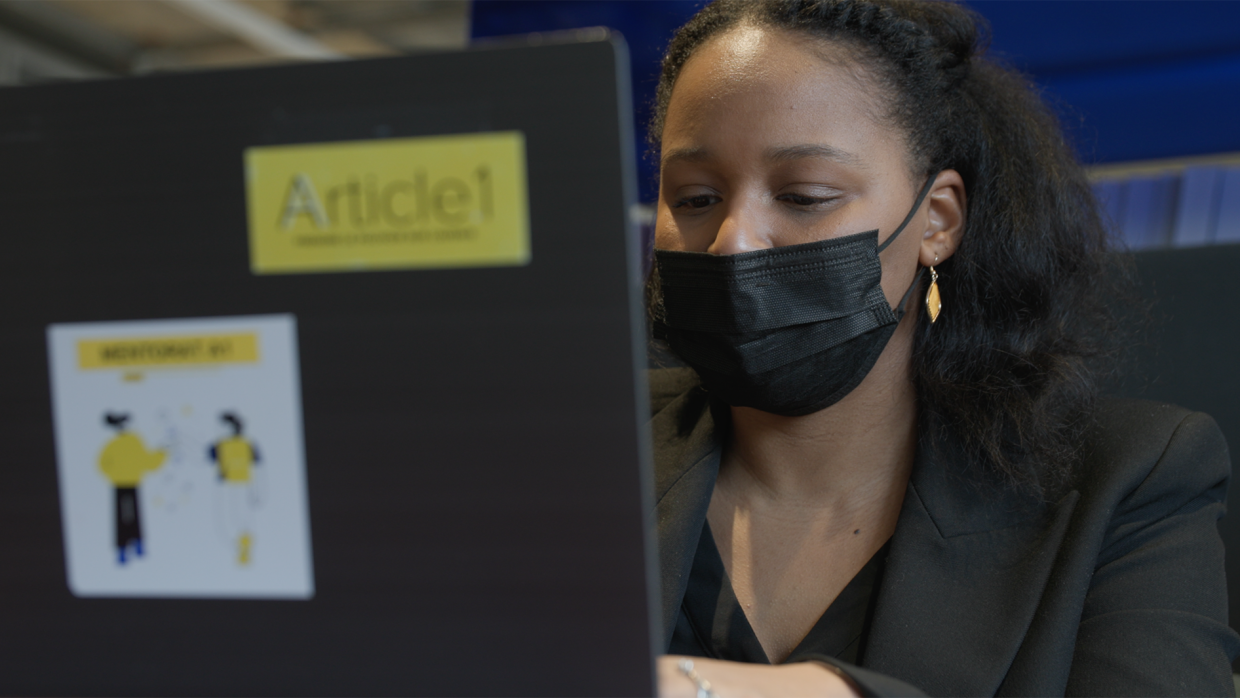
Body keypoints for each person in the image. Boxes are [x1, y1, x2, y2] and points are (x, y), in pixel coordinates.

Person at [643, 1, 1240, 696]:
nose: (732, 240)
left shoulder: (1129, 480)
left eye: (804, 195)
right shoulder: (566, 453)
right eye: (694, 198)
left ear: (937, 221)